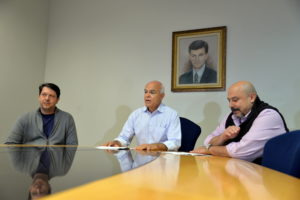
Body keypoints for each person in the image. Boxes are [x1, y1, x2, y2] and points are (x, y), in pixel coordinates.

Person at [191, 81, 289, 163]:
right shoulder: (232, 116)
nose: (230, 105)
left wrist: (209, 150)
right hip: (243, 172)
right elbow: (208, 141)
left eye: (235, 100)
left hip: (270, 176)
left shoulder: (268, 115)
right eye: (229, 100)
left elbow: (242, 151)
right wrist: (223, 137)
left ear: (251, 98)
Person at [104, 80, 181, 151]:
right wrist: (117, 143)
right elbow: (124, 138)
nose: (147, 95)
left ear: (162, 96)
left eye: (152, 92)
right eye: (145, 92)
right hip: (141, 159)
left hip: (162, 161)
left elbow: (175, 142)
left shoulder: (171, 114)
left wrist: (157, 146)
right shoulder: (136, 114)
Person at [5, 83, 78, 145]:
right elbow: (10, 143)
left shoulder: (67, 119)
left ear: (57, 100)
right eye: (44, 94)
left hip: (56, 161)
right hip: (30, 161)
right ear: (39, 97)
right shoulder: (24, 118)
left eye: (51, 96)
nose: (47, 98)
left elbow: (72, 147)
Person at [7, 146, 77, 199]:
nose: (38, 189)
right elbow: (72, 142)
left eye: (34, 193)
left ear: (30, 189)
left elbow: (13, 140)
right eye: (42, 192)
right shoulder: (62, 169)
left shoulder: (20, 165)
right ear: (49, 188)